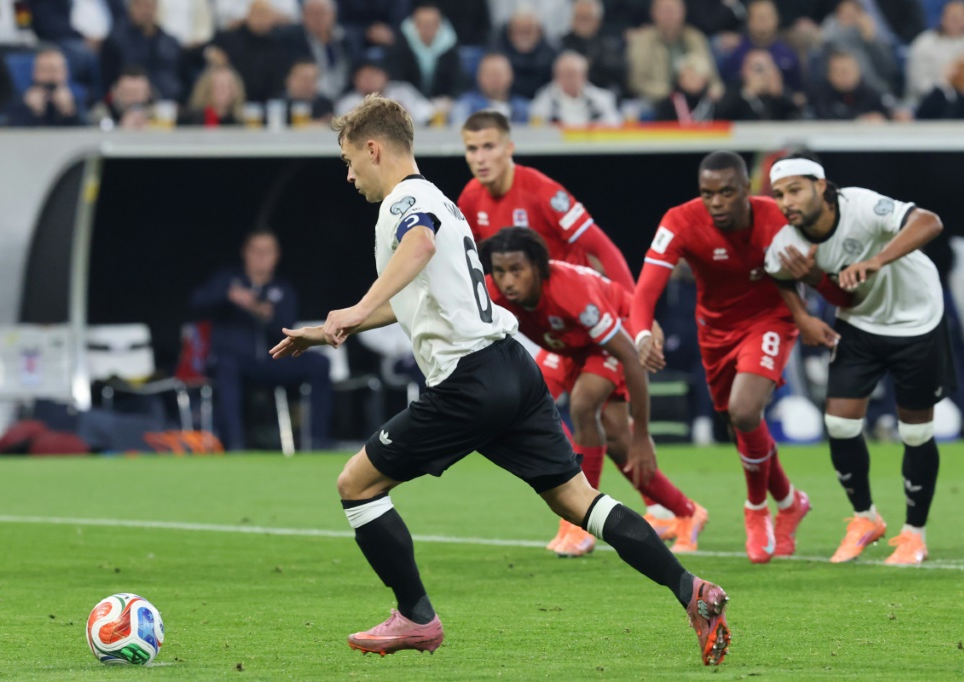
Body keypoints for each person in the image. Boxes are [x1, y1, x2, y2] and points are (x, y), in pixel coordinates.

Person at [268, 94, 731, 665]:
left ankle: (415, 617)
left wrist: (358, 307)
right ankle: (693, 592)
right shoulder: (445, 200)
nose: (348, 174)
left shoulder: (404, 201)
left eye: (348, 160)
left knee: (356, 486)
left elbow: (419, 245)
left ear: (373, 148)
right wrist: (333, 327)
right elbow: (420, 297)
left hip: (469, 381)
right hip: (513, 366)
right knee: (577, 499)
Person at [630, 151, 849, 564]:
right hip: (714, 331)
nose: (716, 202)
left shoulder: (777, 219)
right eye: (708, 193)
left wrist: (806, 314)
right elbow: (645, 290)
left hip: (770, 319)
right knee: (740, 423)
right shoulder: (679, 221)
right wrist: (643, 332)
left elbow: (818, 275)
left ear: (746, 190)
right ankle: (789, 501)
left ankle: (756, 509)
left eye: (727, 192)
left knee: (745, 411)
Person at [765, 153, 956, 566]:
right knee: (839, 423)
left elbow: (930, 222)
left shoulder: (860, 205)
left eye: (795, 190)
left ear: (820, 186)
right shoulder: (788, 243)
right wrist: (803, 313)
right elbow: (786, 278)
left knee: (916, 433)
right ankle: (866, 518)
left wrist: (876, 260)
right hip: (860, 323)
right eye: (778, 194)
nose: (786, 202)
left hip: (917, 320)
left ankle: (914, 535)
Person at [481, 228, 708, 557]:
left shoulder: (572, 294)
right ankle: (687, 512)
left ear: (539, 267)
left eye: (517, 270)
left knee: (584, 406)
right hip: (572, 344)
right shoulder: (492, 293)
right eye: (500, 271)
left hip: (616, 331)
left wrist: (643, 434)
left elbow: (629, 356)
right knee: (610, 439)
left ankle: (580, 522)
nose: (507, 281)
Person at [457, 110, 635, 291]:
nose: (480, 159)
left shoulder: (543, 192)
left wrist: (633, 310)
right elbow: (461, 257)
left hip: (574, 298)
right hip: (524, 303)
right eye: (472, 149)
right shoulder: (470, 198)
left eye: (489, 147)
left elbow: (603, 248)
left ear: (509, 148)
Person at [191, 230, 333, 451]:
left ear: (276, 255)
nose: (260, 257)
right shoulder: (228, 280)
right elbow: (197, 304)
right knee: (226, 365)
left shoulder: (283, 289)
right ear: (245, 253)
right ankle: (235, 445)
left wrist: (263, 314)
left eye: (267, 252)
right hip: (238, 363)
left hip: (272, 360)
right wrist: (228, 296)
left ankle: (318, 442)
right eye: (255, 251)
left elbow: (286, 327)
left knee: (319, 363)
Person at [99, 0, 183, 102]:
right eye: (139, 5)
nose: (145, 11)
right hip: (128, 105)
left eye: (149, 5)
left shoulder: (170, 42)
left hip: (167, 102)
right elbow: (107, 81)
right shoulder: (115, 41)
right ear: (130, 7)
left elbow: (179, 77)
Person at [530, 50, 622, 126]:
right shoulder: (543, 101)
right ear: (555, 76)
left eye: (573, 74)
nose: (569, 79)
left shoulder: (602, 99)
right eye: (564, 74)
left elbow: (614, 127)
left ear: (584, 76)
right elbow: (538, 131)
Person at [8, 46, 84, 127]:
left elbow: (88, 132)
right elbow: (10, 132)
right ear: (35, 73)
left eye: (54, 70)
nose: (50, 76)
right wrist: (30, 111)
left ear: (65, 73)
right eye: (44, 70)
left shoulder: (79, 98)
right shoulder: (20, 99)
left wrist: (69, 112)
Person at [451, 52, 532, 124]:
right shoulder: (464, 107)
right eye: (490, 75)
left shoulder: (523, 108)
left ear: (510, 76)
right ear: (479, 77)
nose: (495, 79)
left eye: (499, 74)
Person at [88, 65, 155, 130]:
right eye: (127, 92)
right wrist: (121, 126)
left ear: (148, 93)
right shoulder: (101, 112)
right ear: (114, 92)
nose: (133, 98)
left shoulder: (158, 113)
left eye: (137, 93)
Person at [180, 64, 245, 125]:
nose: (223, 91)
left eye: (228, 86)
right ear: (207, 89)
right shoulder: (191, 121)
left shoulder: (241, 123)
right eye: (219, 86)